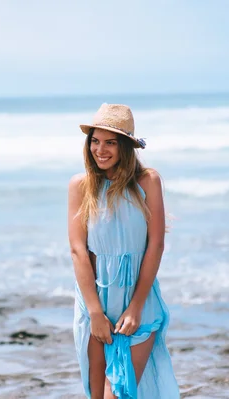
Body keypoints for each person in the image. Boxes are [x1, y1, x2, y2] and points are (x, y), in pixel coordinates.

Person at [68, 103, 180, 398]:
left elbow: (155, 244)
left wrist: (136, 307)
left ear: (126, 147)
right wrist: (94, 312)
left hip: (138, 302)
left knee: (117, 393)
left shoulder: (147, 182)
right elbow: (78, 250)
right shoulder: (81, 186)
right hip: (95, 303)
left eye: (110, 142)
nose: (100, 150)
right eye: (95, 140)